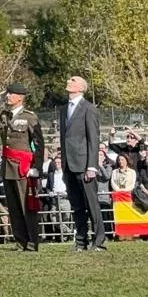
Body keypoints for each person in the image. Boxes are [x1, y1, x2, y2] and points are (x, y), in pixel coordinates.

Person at [0, 86, 44, 251]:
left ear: (20, 98)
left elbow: (38, 144)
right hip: (8, 167)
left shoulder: (29, 117)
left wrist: (36, 167)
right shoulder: (3, 115)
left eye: (11, 94)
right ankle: (20, 241)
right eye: (7, 93)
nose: (8, 96)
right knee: (14, 207)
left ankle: (32, 242)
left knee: (26, 205)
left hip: (23, 167)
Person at [59, 75, 106, 251]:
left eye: (72, 80)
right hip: (68, 164)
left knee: (92, 204)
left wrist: (92, 166)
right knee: (76, 205)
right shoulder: (64, 109)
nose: (68, 82)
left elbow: (93, 138)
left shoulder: (88, 108)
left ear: (80, 87)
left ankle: (99, 241)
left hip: (84, 163)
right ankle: (80, 241)